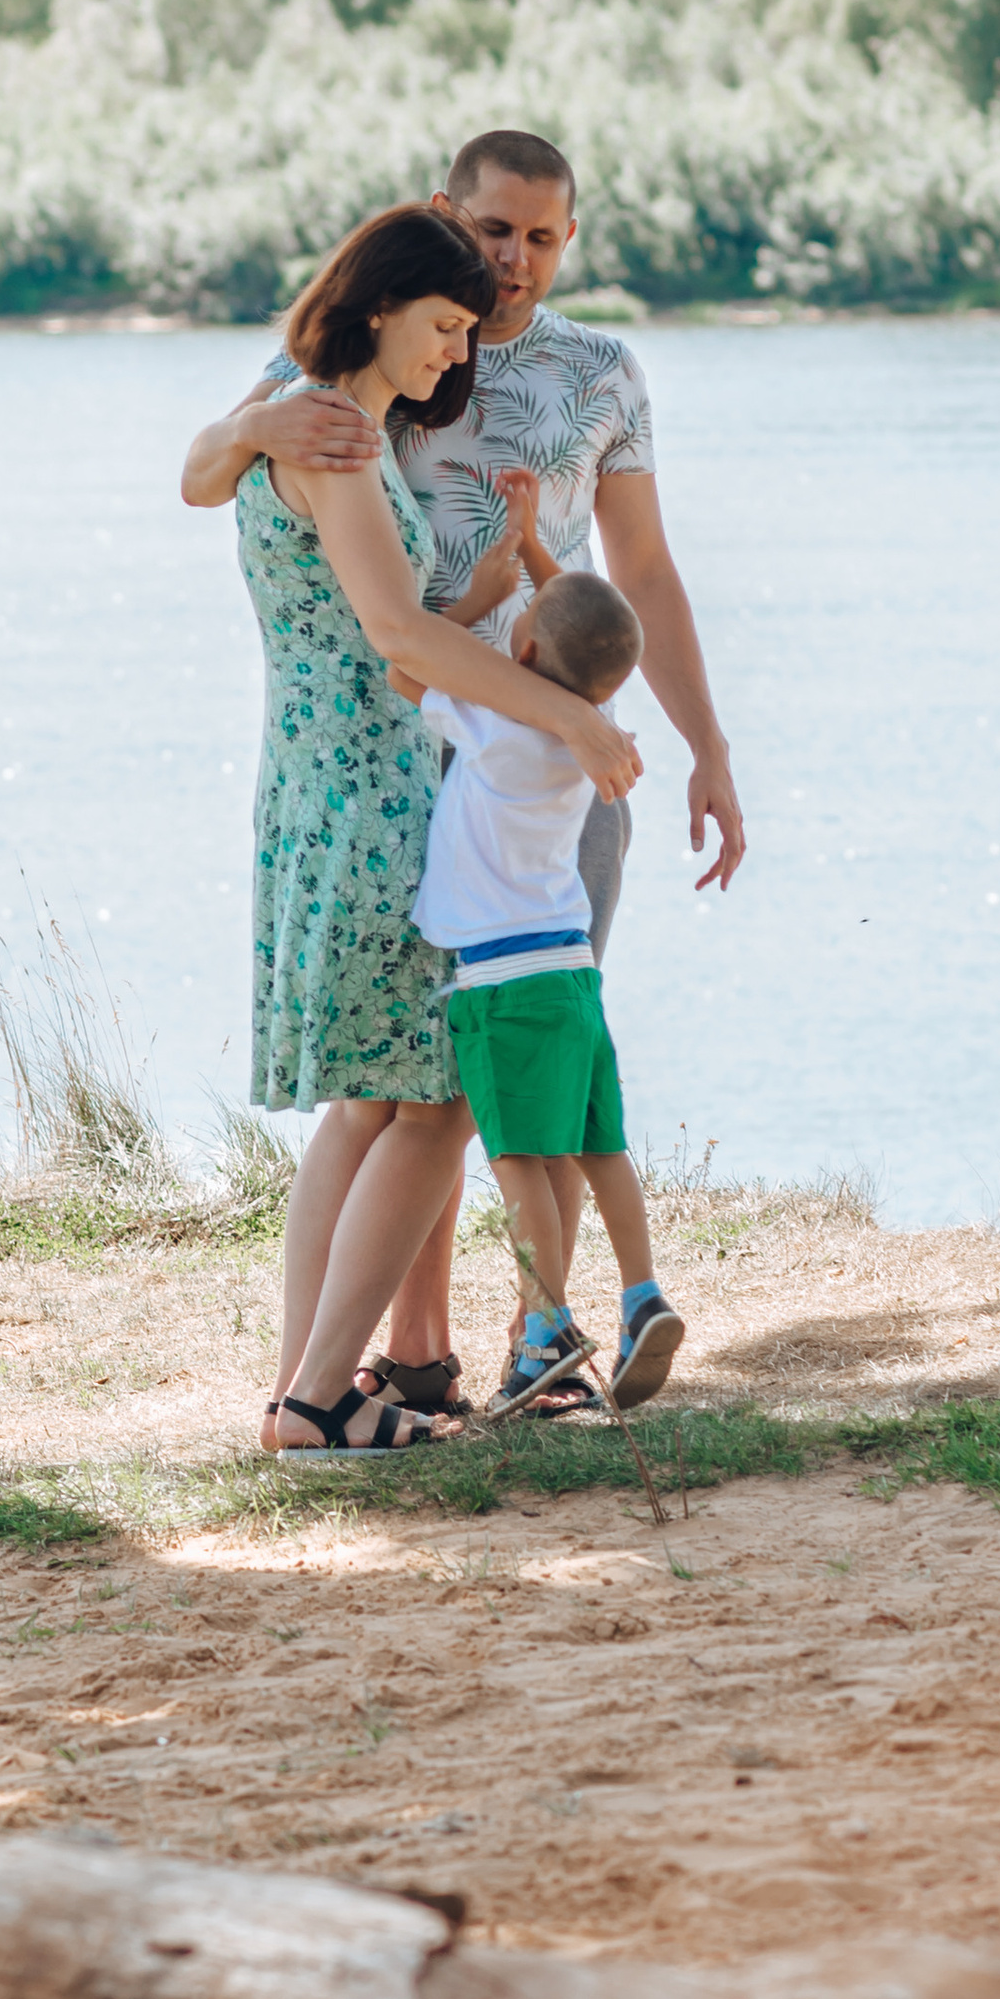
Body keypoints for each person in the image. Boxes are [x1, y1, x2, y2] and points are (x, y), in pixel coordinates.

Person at [181, 126, 742, 1399]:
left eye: (542, 240)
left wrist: (699, 742)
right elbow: (273, 519)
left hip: (535, 773)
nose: (511, 268)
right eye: (492, 237)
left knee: (513, 1066)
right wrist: (257, 422)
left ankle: (513, 1344)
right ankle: (393, 1365)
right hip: (413, 765)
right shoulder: (354, 396)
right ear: (445, 222)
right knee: (423, 1081)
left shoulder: (585, 376)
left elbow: (638, 569)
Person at [230, 200, 641, 1456]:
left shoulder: (301, 410)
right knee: (436, 1099)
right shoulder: (339, 439)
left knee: (368, 1102)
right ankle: (313, 1400)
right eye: (448, 325)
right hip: (368, 790)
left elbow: (410, 613)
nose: (459, 354)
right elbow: (399, 643)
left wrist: (501, 586)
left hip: (335, 778)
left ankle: (313, 1387)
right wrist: (568, 724)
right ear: (377, 302)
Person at [405, 565, 686, 1415]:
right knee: (601, 1148)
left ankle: (547, 1327)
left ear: (522, 647)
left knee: (521, 1161)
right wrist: (534, 554)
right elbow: (580, 629)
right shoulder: (594, 731)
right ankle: (642, 1297)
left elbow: (404, 665)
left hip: (501, 979)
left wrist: (486, 593)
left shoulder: (492, 722)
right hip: (573, 969)